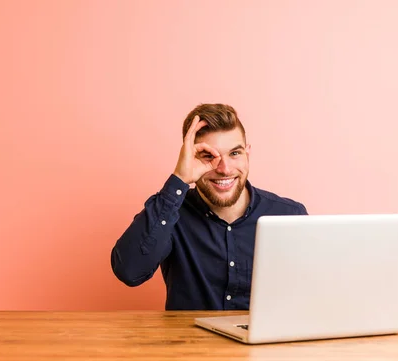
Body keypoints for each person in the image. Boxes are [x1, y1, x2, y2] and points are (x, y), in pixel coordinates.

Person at [110, 103, 308, 310]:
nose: (224, 169)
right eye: (208, 156)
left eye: (234, 153)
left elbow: (312, 293)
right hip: (190, 341)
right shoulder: (168, 213)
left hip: (266, 342)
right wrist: (179, 179)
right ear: (189, 159)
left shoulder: (289, 215)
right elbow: (129, 272)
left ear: (247, 153)